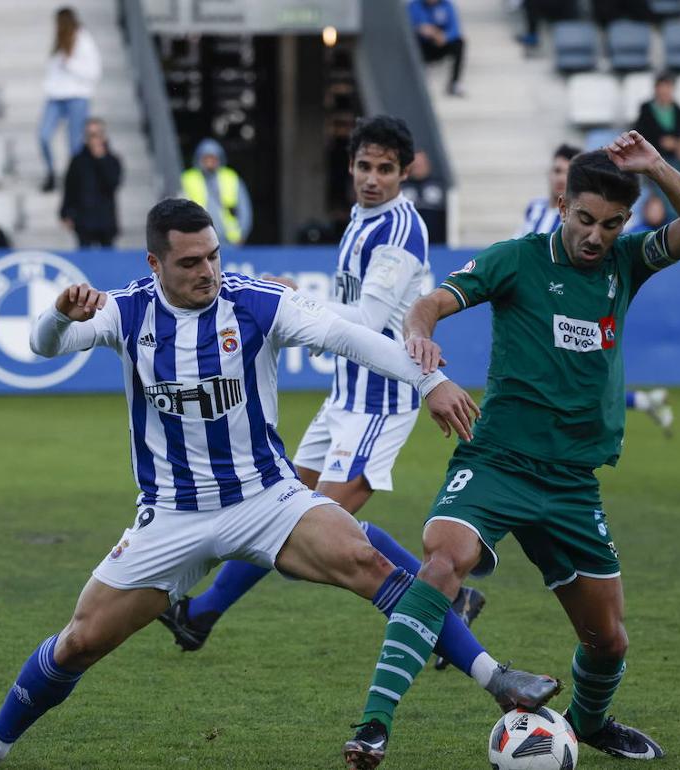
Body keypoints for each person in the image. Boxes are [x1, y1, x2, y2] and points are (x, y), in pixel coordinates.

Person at [0, 198, 559, 770]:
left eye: (213, 256)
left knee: (367, 560)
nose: (207, 272)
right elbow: (42, 346)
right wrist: (58, 315)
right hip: (171, 513)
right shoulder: (128, 310)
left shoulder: (255, 302)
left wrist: (429, 380)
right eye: (190, 262)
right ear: (156, 262)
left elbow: (348, 336)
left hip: (266, 498)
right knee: (81, 640)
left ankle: (496, 677)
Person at [342, 132, 680, 768]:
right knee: (441, 563)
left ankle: (588, 724)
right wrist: (425, 350)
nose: (596, 237)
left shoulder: (626, 264)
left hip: (572, 482)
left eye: (611, 224)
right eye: (584, 219)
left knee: (609, 643)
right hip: (498, 463)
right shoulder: (516, 259)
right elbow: (427, 305)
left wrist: (655, 165)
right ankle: (374, 723)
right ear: (562, 203)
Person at [158, 117, 486, 670]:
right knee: (278, 508)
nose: (372, 178)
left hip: (379, 401)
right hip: (344, 396)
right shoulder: (362, 216)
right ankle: (203, 615)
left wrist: (294, 306)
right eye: (364, 166)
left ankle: (450, 600)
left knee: (317, 529)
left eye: (386, 169)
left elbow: (367, 317)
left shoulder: (401, 232)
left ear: (406, 172)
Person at [517, 143, 674, 435]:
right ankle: (640, 401)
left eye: (564, 171)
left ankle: (631, 406)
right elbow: (520, 244)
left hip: (574, 300)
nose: (557, 177)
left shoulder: (593, 225)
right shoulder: (535, 209)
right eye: (555, 170)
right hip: (537, 300)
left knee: (578, 376)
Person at [38, 6, 100, 193]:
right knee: (43, 136)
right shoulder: (59, 42)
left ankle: (75, 180)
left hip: (77, 96)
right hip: (56, 97)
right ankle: (51, 172)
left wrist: (69, 64)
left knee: (74, 144)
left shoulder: (84, 41)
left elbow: (94, 72)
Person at [60, 117, 122, 248]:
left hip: (105, 220)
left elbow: (113, 184)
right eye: (89, 135)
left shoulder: (112, 160)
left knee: (108, 258)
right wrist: (65, 212)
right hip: (83, 220)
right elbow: (69, 188)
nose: (93, 139)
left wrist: (101, 159)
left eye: (96, 134)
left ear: (103, 136)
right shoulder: (77, 161)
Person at [181, 138, 253, 246]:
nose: (210, 161)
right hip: (198, 239)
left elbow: (245, 210)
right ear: (199, 158)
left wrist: (242, 235)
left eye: (213, 157)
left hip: (229, 240)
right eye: (206, 158)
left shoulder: (231, 178)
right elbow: (178, 212)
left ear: (220, 159)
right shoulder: (188, 179)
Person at [516, 144, 580, 237]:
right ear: (549, 173)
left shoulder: (574, 217)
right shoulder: (535, 206)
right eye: (557, 171)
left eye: (568, 174)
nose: (561, 179)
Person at [407, 0, 466, 96]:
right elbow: (407, 27)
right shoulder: (414, 6)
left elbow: (455, 29)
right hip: (423, 45)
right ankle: (418, 82)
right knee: (415, 44)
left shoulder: (447, 5)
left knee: (459, 43)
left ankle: (454, 83)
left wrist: (444, 36)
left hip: (440, 43)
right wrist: (420, 29)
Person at [632, 73, 680, 158]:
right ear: (656, 89)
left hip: (676, 156)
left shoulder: (679, 110)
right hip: (652, 154)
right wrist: (660, 141)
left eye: (668, 87)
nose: (664, 91)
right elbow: (640, 133)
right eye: (661, 87)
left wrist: (676, 143)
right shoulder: (646, 109)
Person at [399, 149, 445, 241]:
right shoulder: (401, 187)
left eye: (422, 164)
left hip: (437, 243)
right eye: (416, 165)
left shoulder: (441, 185)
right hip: (409, 241)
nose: (419, 168)